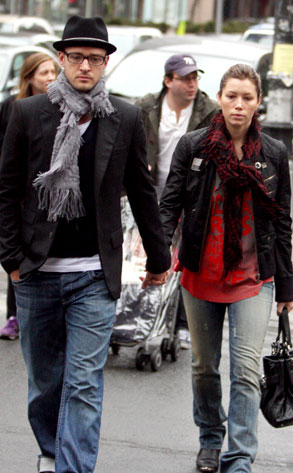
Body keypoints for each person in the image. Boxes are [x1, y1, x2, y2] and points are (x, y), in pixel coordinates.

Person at [0, 15, 170, 473]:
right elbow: (7, 189)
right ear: (61, 59)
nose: (85, 67)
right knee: (45, 384)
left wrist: (159, 256)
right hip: (36, 274)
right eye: (76, 57)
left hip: (94, 274)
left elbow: (142, 190)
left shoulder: (126, 116)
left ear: (105, 64)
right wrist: (12, 261)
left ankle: (72, 468)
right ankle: (51, 451)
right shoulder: (28, 113)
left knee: (83, 383)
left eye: (95, 59)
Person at [159, 63, 293, 473]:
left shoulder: (273, 153)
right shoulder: (194, 147)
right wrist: (158, 251)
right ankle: (210, 439)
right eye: (232, 96)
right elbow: (170, 205)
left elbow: (283, 220)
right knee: (203, 367)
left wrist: (287, 288)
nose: (239, 104)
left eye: (247, 98)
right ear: (219, 98)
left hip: (254, 278)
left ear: (258, 104)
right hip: (200, 274)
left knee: (246, 371)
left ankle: (238, 456)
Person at [136, 53, 218, 348]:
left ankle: (182, 323)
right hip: (150, 193)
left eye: (195, 77)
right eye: (185, 78)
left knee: (186, 256)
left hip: (191, 195)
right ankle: (139, 316)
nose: (192, 84)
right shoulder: (146, 107)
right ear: (168, 81)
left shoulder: (209, 111)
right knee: (146, 255)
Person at [0, 52, 59, 341]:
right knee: (16, 256)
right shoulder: (12, 107)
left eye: (53, 72)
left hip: (44, 194)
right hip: (18, 193)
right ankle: (14, 316)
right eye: (43, 72)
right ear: (29, 77)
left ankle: (39, 315)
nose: (49, 78)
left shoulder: (63, 107)